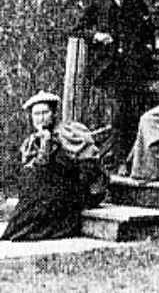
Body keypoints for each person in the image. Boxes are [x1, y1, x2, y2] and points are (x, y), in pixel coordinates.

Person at [75, 0, 154, 167]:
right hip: (109, 71)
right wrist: (96, 36)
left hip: (133, 69)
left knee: (136, 114)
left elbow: (149, 37)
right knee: (119, 115)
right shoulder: (98, 5)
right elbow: (77, 30)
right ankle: (119, 162)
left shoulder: (137, 6)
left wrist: (143, 54)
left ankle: (133, 161)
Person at [0, 92, 105, 242]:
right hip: (51, 190)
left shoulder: (69, 132)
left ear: (54, 113)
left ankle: (29, 231)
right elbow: (32, 170)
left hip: (80, 189)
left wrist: (51, 148)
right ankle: (21, 230)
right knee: (35, 191)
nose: (40, 118)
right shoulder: (32, 141)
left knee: (45, 196)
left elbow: (88, 168)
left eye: (45, 112)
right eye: (36, 114)